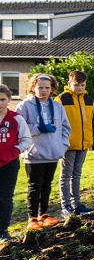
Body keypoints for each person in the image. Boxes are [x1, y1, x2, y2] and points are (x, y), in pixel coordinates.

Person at [15, 73, 71, 230]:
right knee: (34, 186)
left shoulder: (58, 106)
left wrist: (62, 145)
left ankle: (43, 214)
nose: (44, 90)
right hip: (34, 154)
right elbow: (19, 128)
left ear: (52, 89)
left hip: (53, 152)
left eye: (47, 88)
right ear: (33, 87)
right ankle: (32, 218)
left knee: (47, 185)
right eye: (40, 87)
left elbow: (66, 127)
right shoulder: (24, 106)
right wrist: (37, 128)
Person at [55, 70, 94, 217]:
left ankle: (76, 203)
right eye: (76, 84)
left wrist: (90, 140)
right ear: (69, 84)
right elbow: (57, 123)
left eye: (82, 85)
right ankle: (65, 205)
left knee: (77, 174)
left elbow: (89, 121)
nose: (79, 87)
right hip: (68, 144)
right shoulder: (61, 100)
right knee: (66, 175)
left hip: (84, 144)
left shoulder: (89, 100)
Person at [0, 84, 32, 243]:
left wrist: (14, 151)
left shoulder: (16, 119)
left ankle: (3, 230)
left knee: (5, 198)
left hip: (8, 165)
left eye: (2, 99)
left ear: (8, 100)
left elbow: (27, 140)